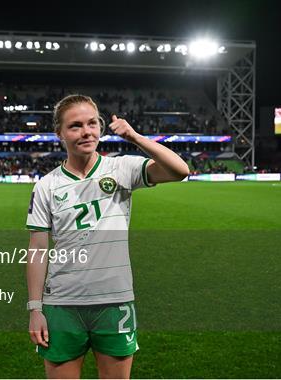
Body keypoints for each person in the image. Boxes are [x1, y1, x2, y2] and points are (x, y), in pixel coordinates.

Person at [25, 94, 189, 379]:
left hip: (114, 301)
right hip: (62, 304)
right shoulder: (46, 186)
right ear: (59, 133)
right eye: (75, 126)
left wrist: (135, 136)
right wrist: (35, 309)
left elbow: (180, 170)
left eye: (92, 123)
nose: (86, 132)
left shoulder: (122, 168)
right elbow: (37, 249)